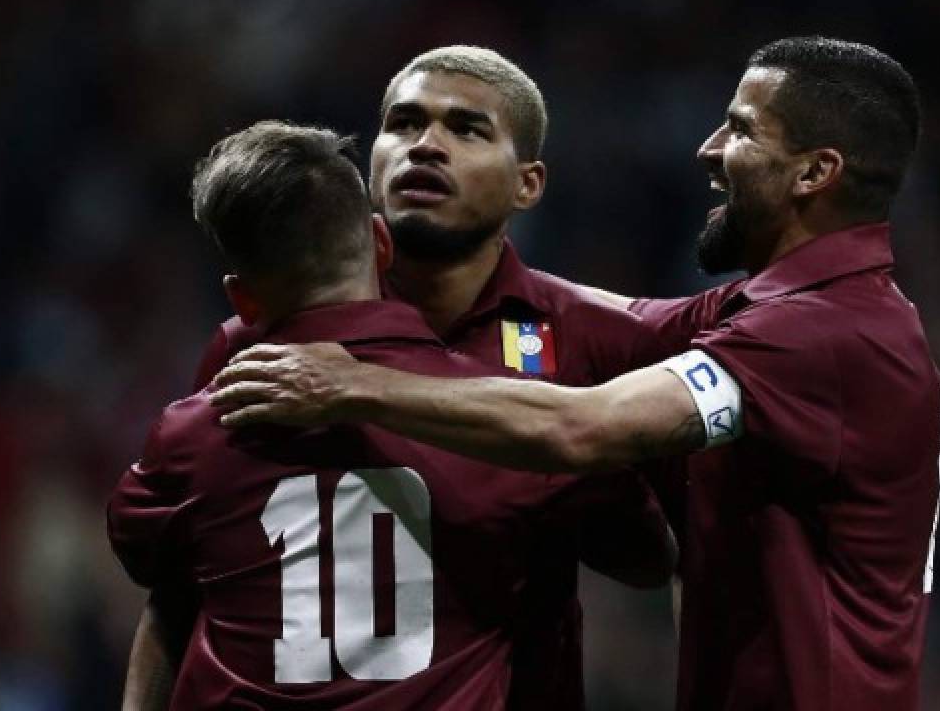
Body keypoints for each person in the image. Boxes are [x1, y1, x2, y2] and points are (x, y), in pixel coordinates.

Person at [211, 37, 940, 711]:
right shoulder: (774, 314)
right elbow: (178, 596)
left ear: (816, 172)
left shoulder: (821, 333)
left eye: (741, 129)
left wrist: (350, 384)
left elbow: (581, 431)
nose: (708, 148)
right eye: (403, 124)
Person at [108, 121, 674, 709]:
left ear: (242, 297)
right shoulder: (512, 424)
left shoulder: (191, 435)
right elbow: (646, 554)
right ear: (382, 244)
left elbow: (146, 556)